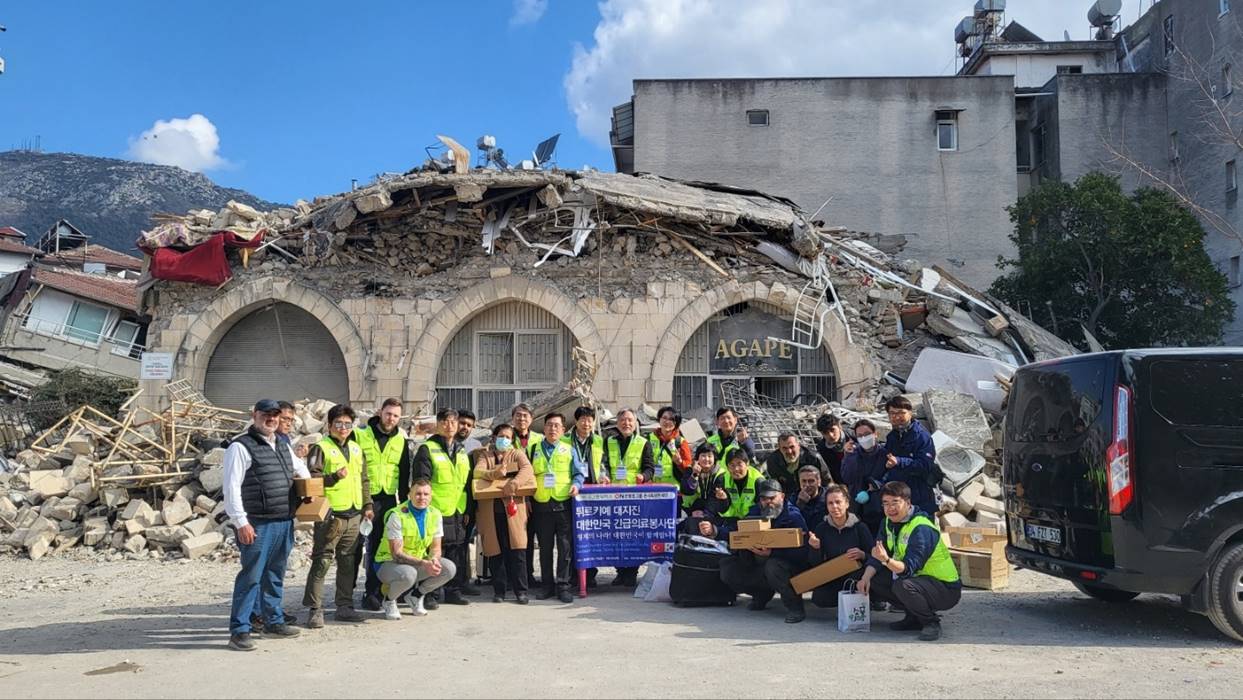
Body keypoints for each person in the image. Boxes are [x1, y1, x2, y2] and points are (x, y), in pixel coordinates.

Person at [223, 399, 309, 651]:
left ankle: (273, 620)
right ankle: (240, 630)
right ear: (255, 415)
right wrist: (241, 522)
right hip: (257, 524)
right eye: (265, 414)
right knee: (251, 577)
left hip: (283, 520)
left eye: (275, 415)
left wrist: (307, 485)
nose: (270, 419)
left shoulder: (282, 444)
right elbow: (231, 488)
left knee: (275, 574)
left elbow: (299, 466)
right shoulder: (240, 447)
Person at [859, 481, 961, 641]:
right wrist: (865, 578)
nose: (890, 508)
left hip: (945, 588)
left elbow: (907, 569)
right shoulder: (887, 523)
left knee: (903, 585)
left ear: (907, 503)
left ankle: (930, 622)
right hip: (918, 580)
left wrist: (886, 560)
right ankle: (913, 617)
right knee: (875, 579)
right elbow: (878, 554)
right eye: (885, 503)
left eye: (895, 503)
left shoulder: (921, 528)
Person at [303, 404, 374, 628]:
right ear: (329, 425)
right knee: (323, 560)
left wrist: (368, 505)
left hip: (353, 514)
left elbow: (363, 480)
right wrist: (333, 477)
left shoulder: (355, 448)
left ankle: (344, 606)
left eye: (347, 424)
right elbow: (312, 481)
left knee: (348, 561)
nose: (343, 428)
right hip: (331, 514)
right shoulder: (321, 448)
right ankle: (315, 609)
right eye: (339, 424)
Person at [704, 479, 810, 623]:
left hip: (787, 566)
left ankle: (795, 607)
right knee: (728, 568)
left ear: (782, 497)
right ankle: (761, 594)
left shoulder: (793, 517)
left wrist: (772, 553)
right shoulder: (755, 512)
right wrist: (715, 531)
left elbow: (802, 553)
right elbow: (736, 531)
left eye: (772, 498)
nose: (768, 502)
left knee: (773, 566)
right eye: (764, 498)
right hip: (759, 563)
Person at [353, 398, 411, 611]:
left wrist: (405, 504)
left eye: (396, 416)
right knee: (356, 547)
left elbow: (404, 475)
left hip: (387, 500)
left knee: (379, 548)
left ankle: (374, 591)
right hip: (361, 498)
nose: (391, 419)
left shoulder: (401, 441)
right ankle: (347, 593)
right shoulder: (360, 435)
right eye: (388, 414)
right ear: (380, 412)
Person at [411, 408, 473, 606]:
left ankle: (454, 591)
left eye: (453, 422)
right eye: (445, 421)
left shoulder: (461, 450)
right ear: (438, 424)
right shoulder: (427, 449)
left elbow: (466, 483)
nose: (450, 425)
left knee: (456, 551)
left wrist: (467, 509)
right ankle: (431, 593)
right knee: (436, 552)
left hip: (457, 510)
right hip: (435, 510)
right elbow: (422, 481)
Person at [375, 479, 457, 620]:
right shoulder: (397, 515)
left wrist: (433, 561)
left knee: (449, 568)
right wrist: (424, 563)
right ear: (410, 495)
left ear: (431, 496)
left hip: (416, 562)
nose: (422, 498)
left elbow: (436, 547)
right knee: (409, 574)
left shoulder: (435, 514)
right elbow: (397, 554)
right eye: (418, 494)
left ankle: (415, 596)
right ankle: (388, 601)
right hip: (388, 563)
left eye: (426, 494)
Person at [472, 423, 533, 604]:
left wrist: (514, 483)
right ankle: (499, 591)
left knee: (518, 551)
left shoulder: (517, 454)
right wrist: (494, 473)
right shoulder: (486, 455)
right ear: (494, 437)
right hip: (491, 512)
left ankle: (521, 591)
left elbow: (527, 470)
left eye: (508, 437)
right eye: (501, 436)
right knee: (495, 551)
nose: (504, 440)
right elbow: (478, 471)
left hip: (513, 511)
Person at [529, 412, 580, 603]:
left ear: (563, 430)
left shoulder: (569, 450)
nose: (552, 429)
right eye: (549, 425)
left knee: (565, 548)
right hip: (541, 504)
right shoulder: (534, 449)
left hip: (563, 503)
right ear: (544, 428)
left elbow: (578, 474)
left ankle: (563, 586)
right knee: (545, 549)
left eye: (557, 426)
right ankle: (547, 586)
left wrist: (577, 485)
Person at [603, 408, 655, 587]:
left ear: (636, 423)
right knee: (615, 535)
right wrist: (604, 476)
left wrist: (644, 477)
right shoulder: (608, 441)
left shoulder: (643, 442)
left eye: (630, 420)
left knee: (633, 535)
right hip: (613, 495)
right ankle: (620, 571)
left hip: (634, 496)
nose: (626, 423)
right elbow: (603, 464)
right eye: (623, 420)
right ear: (617, 423)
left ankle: (632, 571)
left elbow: (650, 467)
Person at [806, 484, 874, 608]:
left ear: (847, 503)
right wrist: (815, 548)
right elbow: (815, 563)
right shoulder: (822, 528)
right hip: (832, 575)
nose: (834, 507)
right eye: (830, 503)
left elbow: (874, 558)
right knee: (819, 599)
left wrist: (862, 555)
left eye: (838, 502)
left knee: (860, 584)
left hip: (856, 575)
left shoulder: (860, 527)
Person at [881, 396, 939, 516]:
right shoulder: (892, 436)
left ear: (910, 413)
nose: (896, 417)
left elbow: (925, 465)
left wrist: (900, 461)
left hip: (919, 496)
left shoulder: (922, 437)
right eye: (892, 413)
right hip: (898, 497)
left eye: (901, 413)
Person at [568, 405, 606, 588]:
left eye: (590, 420)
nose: (586, 423)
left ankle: (590, 574)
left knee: (591, 535)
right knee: (572, 536)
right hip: (571, 493)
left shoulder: (598, 440)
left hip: (592, 495)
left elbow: (603, 463)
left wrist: (604, 475)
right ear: (576, 421)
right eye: (582, 419)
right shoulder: (565, 440)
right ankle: (571, 575)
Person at [511, 403, 542, 586]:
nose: (521, 419)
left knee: (531, 537)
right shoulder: (507, 438)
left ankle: (529, 574)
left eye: (525, 416)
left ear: (531, 419)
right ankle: (516, 577)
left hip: (537, 494)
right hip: (514, 495)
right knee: (517, 538)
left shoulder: (539, 439)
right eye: (518, 415)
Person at [841, 419, 888, 536]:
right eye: (860, 436)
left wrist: (878, 484)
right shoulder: (853, 454)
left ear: (875, 434)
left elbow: (892, 475)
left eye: (867, 434)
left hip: (879, 508)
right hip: (858, 507)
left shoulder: (885, 453)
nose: (864, 438)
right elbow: (847, 477)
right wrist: (850, 456)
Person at [679, 443, 729, 536]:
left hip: (713, 513)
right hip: (692, 511)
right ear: (697, 458)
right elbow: (686, 491)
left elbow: (715, 499)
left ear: (715, 459)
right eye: (703, 456)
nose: (706, 459)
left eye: (710, 456)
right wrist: (694, 475)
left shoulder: (721, 475)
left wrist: (705, 513)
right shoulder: (690, 470)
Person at [764, 432, 829, 495]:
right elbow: (774, 486)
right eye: (784, 448)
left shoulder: (813, 458)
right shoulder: (773, 460)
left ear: (798, 445)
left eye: (792, 447)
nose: (789, 451)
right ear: (779, 448)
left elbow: (827, 482)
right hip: (787, 498)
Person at [648, 406, 692, 487]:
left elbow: (689, 469)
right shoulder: (649, 439)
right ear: (659, 419)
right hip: (653, 489)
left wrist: (680, 463)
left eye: (671, 419)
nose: (667, 421)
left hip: (674, 490)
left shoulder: (681, 442)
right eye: (664, 418)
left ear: (676, 423)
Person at [718, 451, 765, 525]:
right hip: (730, 521)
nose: (736, 469)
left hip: (753, 522)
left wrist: (745, 521)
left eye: (739, 464)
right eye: (732, 465)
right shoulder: (722, 479)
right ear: (727, 467)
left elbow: (762, 508)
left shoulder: (758, 481)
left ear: (747, 463)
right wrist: (723, 501)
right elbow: (719, 508)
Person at [814, 414, 847, 486]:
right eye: (825, 433)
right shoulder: (822, 449)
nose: (831, 435)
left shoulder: (854, 438)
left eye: (832, 430)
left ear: (839, 426)